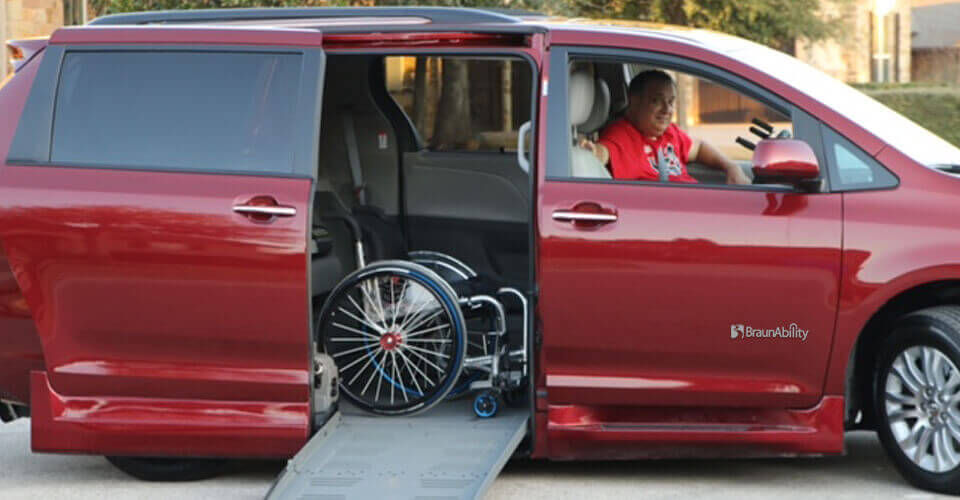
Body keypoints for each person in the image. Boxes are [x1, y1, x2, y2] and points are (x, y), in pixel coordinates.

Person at [581, 70, 751, 185]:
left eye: (670, 102)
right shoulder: (622, 135)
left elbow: (698, 148)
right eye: (656, 100)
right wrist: (590, 152)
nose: (667, 110)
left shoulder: (670, 133)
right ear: (634, 101)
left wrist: (731, 167)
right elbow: (604, 152)